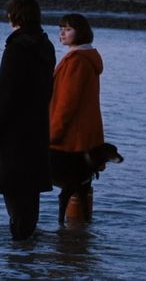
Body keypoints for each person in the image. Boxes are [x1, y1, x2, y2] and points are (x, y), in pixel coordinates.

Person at [0, 0, 56, 241]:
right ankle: (25, 256)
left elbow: (4, 92)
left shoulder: (17, 47)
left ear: (14, 16)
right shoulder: (46, 45)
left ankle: (20, 255)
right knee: (29, 192)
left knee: (13, 191)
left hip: (14, 131)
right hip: (37, 126)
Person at [49, 13, 104, 221]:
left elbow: (66, 103)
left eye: (68, 29)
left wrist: (53, 134)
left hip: (70, 139)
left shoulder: (77, 61)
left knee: (68, 185)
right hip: (84, 137)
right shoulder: (84, 58)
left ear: (80, 32)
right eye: (61, 28)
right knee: (80, 186)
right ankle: (76, 241)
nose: (62, 33)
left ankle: (69, 238)